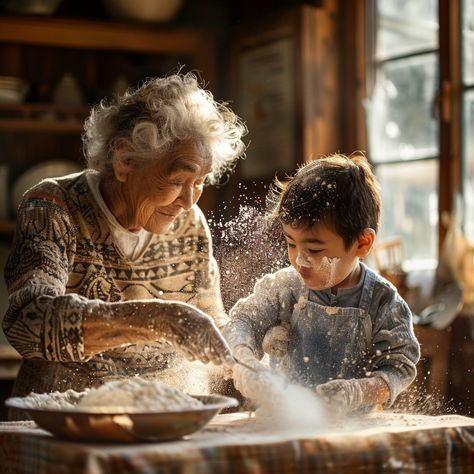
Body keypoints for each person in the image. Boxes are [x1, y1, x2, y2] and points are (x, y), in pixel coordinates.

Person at [3, 72, 247, 416]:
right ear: (125, 161)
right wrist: (161, 319)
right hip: (67, 423)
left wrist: (250, 359)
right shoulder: (53, 206)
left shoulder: (190, 224)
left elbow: (212, 325)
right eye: (178, 180)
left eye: (200, 183)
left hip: (164, 422)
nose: (189, 201)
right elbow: (28, 322)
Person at [224, 153, 420, 415]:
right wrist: (244, 360)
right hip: (283, 421)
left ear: (362, 244)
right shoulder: (285, 287)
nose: (299, 260)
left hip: (353, 432)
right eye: (291, 243)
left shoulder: (382, 301)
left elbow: (400, 367)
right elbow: (243, 321)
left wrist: (358, 391)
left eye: (314, 249)